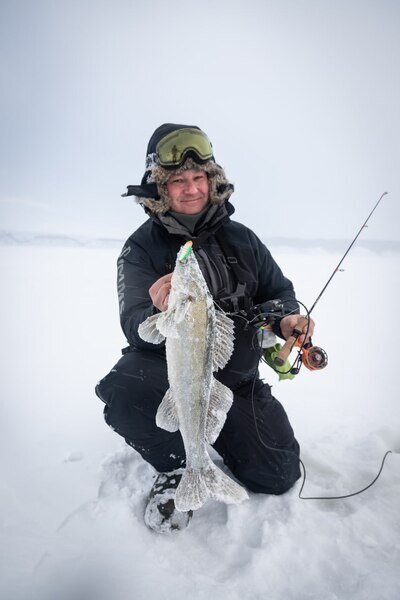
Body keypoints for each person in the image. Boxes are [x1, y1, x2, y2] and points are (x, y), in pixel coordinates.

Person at [95, 123, 315, 533]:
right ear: (160, 188)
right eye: (178, 180)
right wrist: (156, 307)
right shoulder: (140, 247)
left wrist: (287, 318)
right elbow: (133, 324)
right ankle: (177, 465)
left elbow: (279, 292)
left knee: (278, 475)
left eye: (198, 177)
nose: (192, 189)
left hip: (238, 381)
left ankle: (213, 437)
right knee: (124, 391)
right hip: (170, 374)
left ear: (212, 181)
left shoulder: (243, 239)